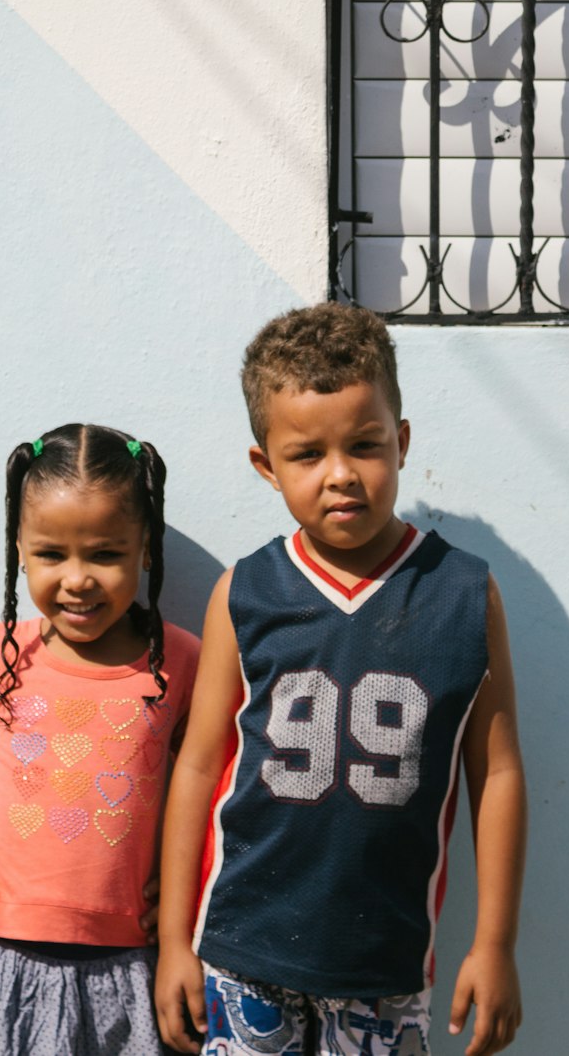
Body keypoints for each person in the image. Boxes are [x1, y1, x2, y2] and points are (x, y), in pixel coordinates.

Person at [156, 305, 526, 1056]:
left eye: (365, 445)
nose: (340, 476)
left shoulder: (464, 594)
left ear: (403, 441)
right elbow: (198, 765)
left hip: (384, 962)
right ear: (266, 465)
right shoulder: (245, 592)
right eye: (307, 455)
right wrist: (172, 940)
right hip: (241, 949)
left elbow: (498, 774)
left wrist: (494, 945)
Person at [0, 423, 200, 1056]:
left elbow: (212, 779)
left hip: (122, 970)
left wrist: (183, 890)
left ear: (146, 548)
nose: (78, 579)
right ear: (20, 550)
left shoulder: (181, 664)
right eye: (52, 554)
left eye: (106, 554)